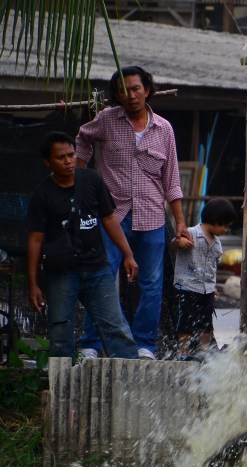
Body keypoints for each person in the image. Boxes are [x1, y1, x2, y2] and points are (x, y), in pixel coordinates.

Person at [76, 65, 187, 360]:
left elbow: (171, 180)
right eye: (123, 90)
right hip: (112, 215)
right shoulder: (106, 121)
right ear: (117, 95)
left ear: (147, 90)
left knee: (151, 284)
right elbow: (83, 138)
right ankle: (92, 342)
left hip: (151, 216)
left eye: (136, 88)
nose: (131, 95)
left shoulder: (163, 129)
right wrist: (80, 176)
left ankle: (144, 345)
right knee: (102, 276)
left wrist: (181, 223)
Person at [25, 132, 139, 360]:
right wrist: (33, 283)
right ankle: (62, 388)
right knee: (60, 333)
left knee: (117, 328)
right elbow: (35, 239)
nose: (68, 161)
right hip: (60, 272)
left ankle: (132, 383)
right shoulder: (41, 195)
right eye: (61, 157)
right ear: (48, 162)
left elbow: (109, 219)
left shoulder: (93, 180)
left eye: (72, 155)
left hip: (97, 268)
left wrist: (128, 254)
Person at [170, 198, 236, 360]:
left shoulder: (217, 244)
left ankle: (204, 351)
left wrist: (213, 287)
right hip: (187, 285)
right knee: (185, 320)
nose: (226, 230)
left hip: (206, 288)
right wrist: (180, 242)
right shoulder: (191, 233)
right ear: (215, 221)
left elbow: (212, 268)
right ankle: (183, 352)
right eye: (225, 225)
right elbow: (173, 244)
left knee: (206, 322)